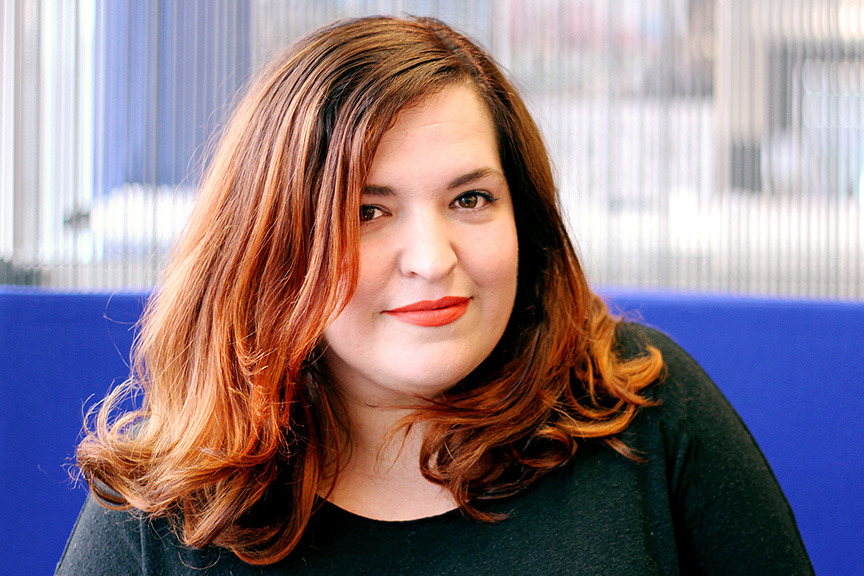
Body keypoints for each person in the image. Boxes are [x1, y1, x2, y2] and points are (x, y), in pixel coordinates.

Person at [56, 15, 814, 575]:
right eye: (367, 212)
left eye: (471, 200)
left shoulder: (640, 407)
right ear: (274, 244)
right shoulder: (164, 506)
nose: (431, 258)